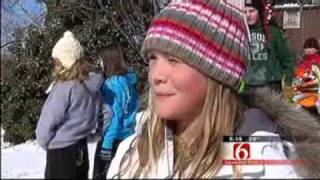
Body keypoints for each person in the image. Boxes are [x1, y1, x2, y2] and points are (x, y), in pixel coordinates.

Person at [106, 0, 320, 179]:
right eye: (153, 58)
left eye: (174, 60)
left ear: (218, 74)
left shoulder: (269, 167)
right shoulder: (132, 153)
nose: (156, 75)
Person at [35, 31, 104, 179]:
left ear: (66, 62)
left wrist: (46, 142)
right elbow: (106, 112)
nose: (55, 66)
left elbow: (48, 121)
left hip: (60, 154)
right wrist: (94, 135)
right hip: (81, 150)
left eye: (57, 62)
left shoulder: (63, 88)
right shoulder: (91, 86)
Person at [92, 44, 139, 179]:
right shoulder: (129, 82)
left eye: (101, 60)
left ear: (109, 61)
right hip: (127, 139)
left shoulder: (112, 85)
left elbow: (113, 117)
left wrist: (106, 145)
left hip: (111, 141)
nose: (99, 63)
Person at [243, 0, 295, 94]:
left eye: (251, 11)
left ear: (259, 11)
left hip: (271, 86)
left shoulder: (274, 32)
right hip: (247, 86)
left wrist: (287, 81)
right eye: (245, 12)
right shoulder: (241, 31)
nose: (248, 15)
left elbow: (288, 59)